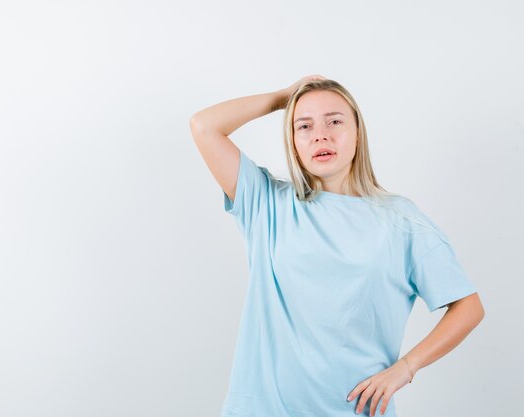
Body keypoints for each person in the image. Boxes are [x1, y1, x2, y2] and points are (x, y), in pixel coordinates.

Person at [189, 75, 485, 417]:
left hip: (354, 410)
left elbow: (468, 307)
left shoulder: (401, 221)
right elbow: (204, 126)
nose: (321, 135)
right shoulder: (266, 203)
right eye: (304, 126)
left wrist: (406, 368)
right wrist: (284, 97)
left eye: (334, 121)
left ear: (358, 132)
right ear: (293, 142)